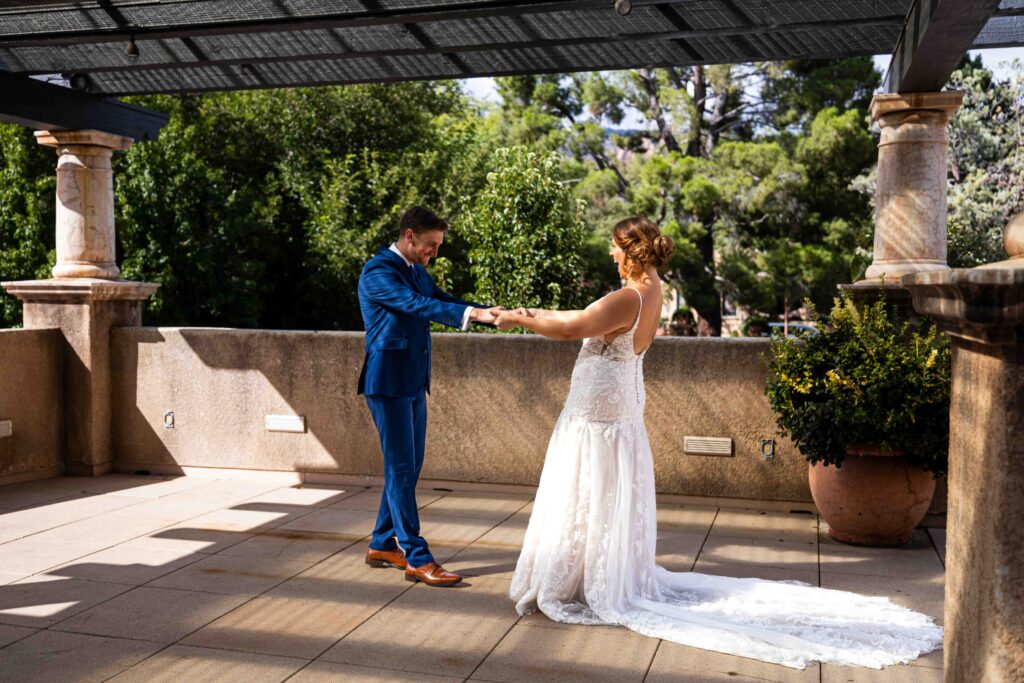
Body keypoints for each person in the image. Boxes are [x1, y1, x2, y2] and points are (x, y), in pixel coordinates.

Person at [494, 216, 942, 669]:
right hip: (617, 409)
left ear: (630, 250)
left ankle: (577, 579)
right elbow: (577, 320)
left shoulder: (627, 296)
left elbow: (575, 326)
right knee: (600, 488)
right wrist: (534, 314)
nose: (611, 255)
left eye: (614, 247)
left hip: (598, 412)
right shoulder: (653, 291)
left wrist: (516, 319)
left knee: (586, 486)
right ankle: (593, 570)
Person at [358, 206, 503, 587]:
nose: (433, 253)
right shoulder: (378, 272)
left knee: (407, 467)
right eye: (430, 244)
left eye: (436, 246)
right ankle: (416, 557)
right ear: (409, 236)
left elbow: (445, 300)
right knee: (401, 469)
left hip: (413, 383)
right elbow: (419, 306)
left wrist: (488, 312)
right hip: (386, 383)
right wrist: (474, 314)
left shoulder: (417, 272)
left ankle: (380, 543)